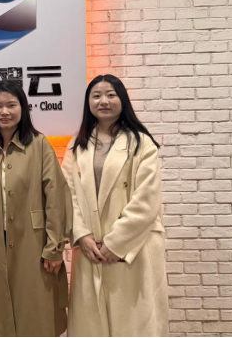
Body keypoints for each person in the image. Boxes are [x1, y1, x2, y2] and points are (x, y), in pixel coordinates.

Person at [62, 74, 169, 337]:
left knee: (134, 323)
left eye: (111, 95)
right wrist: (82, 234)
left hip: (133, 247)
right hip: (90, 248)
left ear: (122, 99)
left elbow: (147, 199)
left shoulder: (141, 143)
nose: (104, 101)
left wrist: (115, 242)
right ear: (88, 103)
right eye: (96, 96)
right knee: (91, 325)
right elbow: (67, 194)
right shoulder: (77, 146)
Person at [0, 81, 71, 337]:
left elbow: (56, 196)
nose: (4, 111)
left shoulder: (39, 144)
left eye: (11, 105)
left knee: (35, 310)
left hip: (33, 240)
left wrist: (54, 247)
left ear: (23, 108)